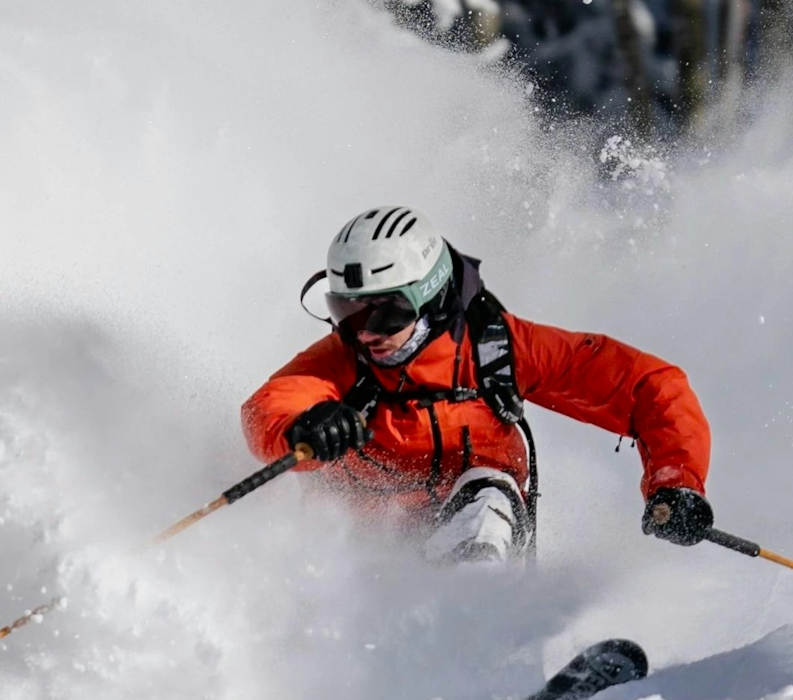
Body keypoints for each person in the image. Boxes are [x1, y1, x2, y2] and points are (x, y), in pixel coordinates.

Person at [240, 206, 716, 566]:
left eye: (386, 313)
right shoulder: (345, 362)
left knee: (485, 494)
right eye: (346, 312)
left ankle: (477, 632)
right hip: (364, 560)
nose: (366, 333)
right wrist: (305, 425)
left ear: (429, 295)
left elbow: (649, 386)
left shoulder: (498, 349)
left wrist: (677, 483)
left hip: (488, 543)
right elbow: (272, 405)